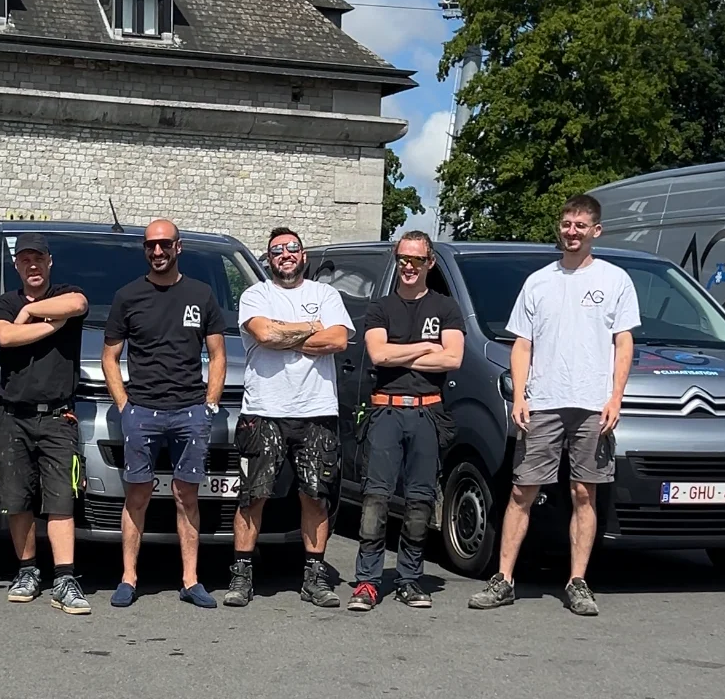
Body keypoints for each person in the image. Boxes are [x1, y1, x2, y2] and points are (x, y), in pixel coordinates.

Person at [469, 195, 639, 617]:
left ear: (596, 230)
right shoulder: (538, 282)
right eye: (566, 224)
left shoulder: (615, 280)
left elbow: (623, 343)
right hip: (544, 402)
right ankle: (504, 579)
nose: (572, 231)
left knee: (584, 492)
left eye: (580, 225)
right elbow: (522, 344)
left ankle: (577, 582)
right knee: (522, 491)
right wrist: (520, 395)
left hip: (593, 405)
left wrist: (615, 397)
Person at [102, 219, 227, 609]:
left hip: (190, 411)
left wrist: (209, 404)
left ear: (178, 247)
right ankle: (128, 578)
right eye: (150, 245)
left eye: (165, 244)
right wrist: (124, 406)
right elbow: (110, 357)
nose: (157, 251)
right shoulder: (127, 296)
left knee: (186, 495)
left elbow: (218, 354)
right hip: (142, 411)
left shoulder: (201, 294)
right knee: (137, 494)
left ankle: (190, 580)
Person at [225, 227, 352, 608]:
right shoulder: (256, 295)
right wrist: (312, 328)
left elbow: (338, 340)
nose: (285, 254)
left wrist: (285, 334)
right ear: (269, 259)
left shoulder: (325, 295)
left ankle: (314, 577)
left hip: (316, 412)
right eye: (277, 250)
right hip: (264, 411)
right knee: (253, 496)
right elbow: (264, 334)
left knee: (315, 496)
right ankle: (242, 575)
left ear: (303, 255)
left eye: (292, 248)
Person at [348, 230, 465, 613]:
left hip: (427, 412)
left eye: (416, 259)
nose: (409, 266)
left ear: (429, 262)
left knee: (420, 502)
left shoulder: (446, 307)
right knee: (375, 499)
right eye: (403, 259)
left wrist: (402, 353)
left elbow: (452, 359)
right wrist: (426, 347)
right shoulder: (381, 307)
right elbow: (379, 355)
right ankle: (367, 581)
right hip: (385, 410)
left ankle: (409, 579)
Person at [0, 233, 92, 615]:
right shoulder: (5, 302)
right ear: (16, 265)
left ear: (49, 262)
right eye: (25, 259)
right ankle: (27, 571)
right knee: (17, 499)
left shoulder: (66, 293)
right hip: (13, 415)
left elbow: (78, 304)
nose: (32, 265)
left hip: (57, 416)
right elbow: (6, 336)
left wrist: (31, 314)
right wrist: (52, 325)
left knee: (61, 499)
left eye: (38, 259)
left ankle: (64, 579)